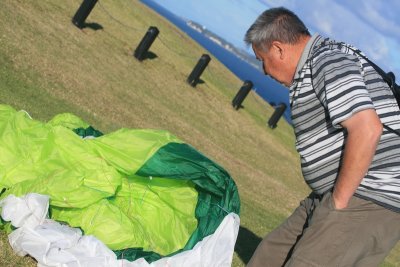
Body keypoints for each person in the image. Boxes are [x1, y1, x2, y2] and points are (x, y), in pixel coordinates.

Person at [244, 7, 400, 267]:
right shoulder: (316, 61)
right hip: (334, 194)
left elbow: (367, 129)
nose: (263, 70)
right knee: (268, 258)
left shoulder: (327, 60)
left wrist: (338, 202)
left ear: (278, 49)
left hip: (368, 195)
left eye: (262, 58)